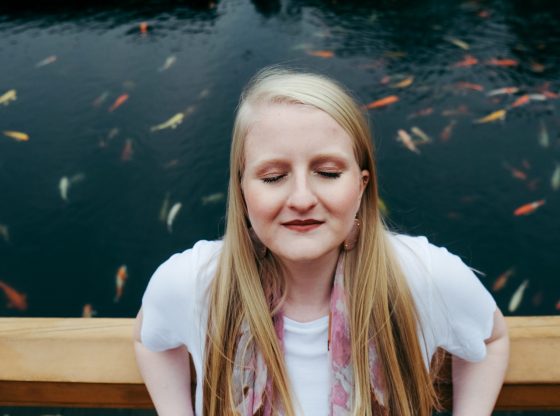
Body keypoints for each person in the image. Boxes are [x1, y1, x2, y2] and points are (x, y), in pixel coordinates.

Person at [133, 66, 509, 416]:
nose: (301, 198)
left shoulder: (423, 277)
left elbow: (491, 339)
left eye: (327, 172)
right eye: (273, 176)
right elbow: (149, 340)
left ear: (362, 187)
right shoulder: (194, 282)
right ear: (242, 191)